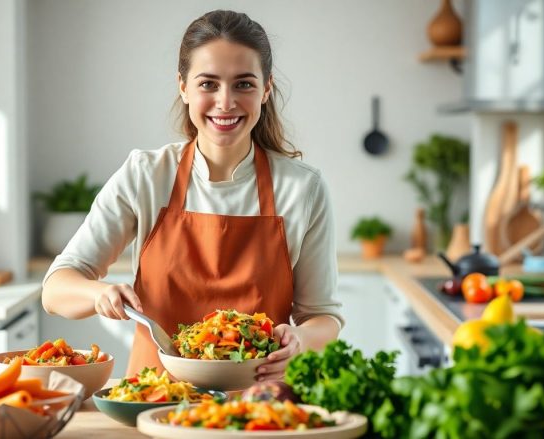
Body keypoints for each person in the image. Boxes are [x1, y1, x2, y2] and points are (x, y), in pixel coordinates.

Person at [41, 10, 342, 381]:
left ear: (266, 89)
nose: (226, 102)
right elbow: (56, 288)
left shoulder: (303, 188)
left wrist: (300, 338)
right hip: (154, 399)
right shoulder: (146, 175)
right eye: (208, 84)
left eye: (244, 84)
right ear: (183, 87)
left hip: (259, 408)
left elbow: (322, 317)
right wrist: (98, 293)